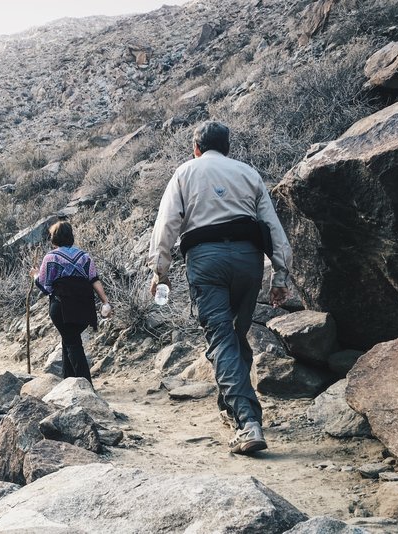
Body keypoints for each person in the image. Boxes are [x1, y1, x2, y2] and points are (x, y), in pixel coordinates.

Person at [148, 120, 293, 455]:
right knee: (235, 337)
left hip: (206, 260)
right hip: (248, 259)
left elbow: (167, 222)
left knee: (222, 338)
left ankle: (248, 423)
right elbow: (271, 225)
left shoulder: (185, 172)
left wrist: (161, 271)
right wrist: (280, 274)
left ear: (196, 148)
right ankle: (231, 405)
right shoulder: (248, 173)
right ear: (227, 147)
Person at [31, 221, 111, 385]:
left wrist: (34, 275)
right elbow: (94, 280)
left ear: (54, 238)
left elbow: (44, 285)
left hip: (62, 307)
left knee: (72, 342)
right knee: (69, 340)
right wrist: (105, 302)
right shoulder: (84, 257)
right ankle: (69, 382)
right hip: (84, 307)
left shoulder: (51, 257)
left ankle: (85, 385)